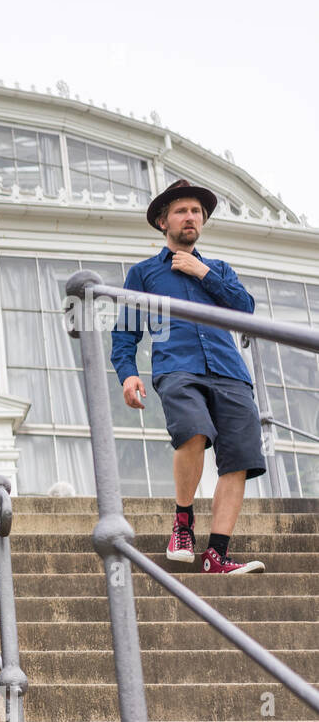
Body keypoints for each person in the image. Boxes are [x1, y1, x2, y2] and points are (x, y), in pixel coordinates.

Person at [111, 179, 266, 574]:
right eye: (182, 211)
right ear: (164, 221)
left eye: (196, 211)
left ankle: (217, 555)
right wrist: (128, 374)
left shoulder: (218, 270)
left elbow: (245, 310)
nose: (190, 217)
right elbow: (126, 331)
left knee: (238, 460)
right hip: (177, 368)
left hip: (230, 372)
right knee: (193, 431)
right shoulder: (143, 274)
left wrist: (203, 273)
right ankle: (183, 524)